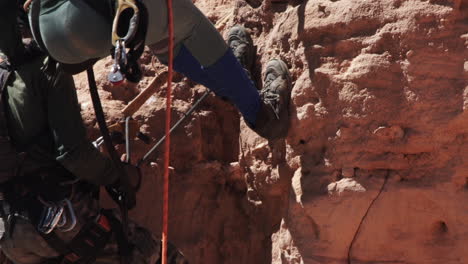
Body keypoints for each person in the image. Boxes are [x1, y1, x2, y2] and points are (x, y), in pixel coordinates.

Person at [0, 1, 187, 263]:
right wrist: (122, 177)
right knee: (157, 254)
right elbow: (74, 155)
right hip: (57, 218)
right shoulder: (47, 68)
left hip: (10, 233)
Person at [27, 0, 292, 140]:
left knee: (158, 31)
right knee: (187, 22)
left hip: (52, 32)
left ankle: (232, 75)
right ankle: (263, 114)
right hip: (89, 15)